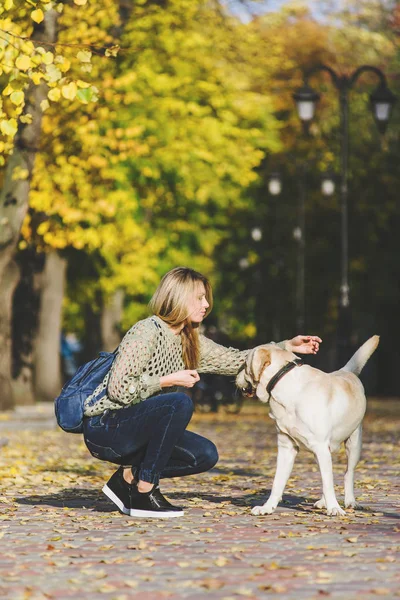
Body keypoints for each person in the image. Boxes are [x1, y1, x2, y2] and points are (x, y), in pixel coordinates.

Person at [83, 267, 321, 519]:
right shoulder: (146, 331)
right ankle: (144, 489)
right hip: (106, 426)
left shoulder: (191, 339)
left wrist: (284, 346)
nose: (206, 304)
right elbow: (118, 389)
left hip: (139, 428)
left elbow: (236, 360)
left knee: (204, 455)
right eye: (199, 297)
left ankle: (127, 478)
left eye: (206, 298)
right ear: (178, 297)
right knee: (178, 403)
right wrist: (167, 380)